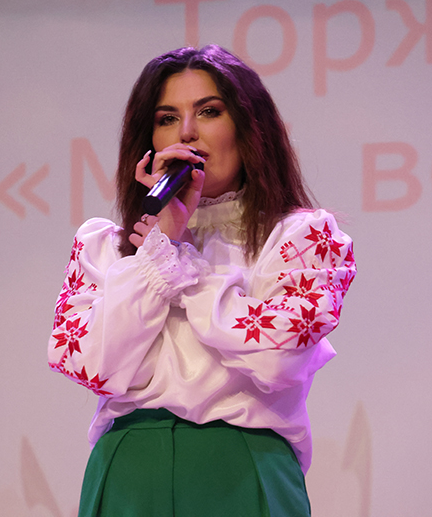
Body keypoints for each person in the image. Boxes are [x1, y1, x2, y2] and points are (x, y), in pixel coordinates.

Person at [48, 45, 356, 517]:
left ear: (249, 127)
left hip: (243, 465)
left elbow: (277, 358)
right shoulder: (105, 245)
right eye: (167, 118)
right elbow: (89, 364)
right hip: (128, 467)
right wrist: (159, 251)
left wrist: (181, 265)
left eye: (209, 111)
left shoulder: (301, 236)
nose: (187, 132)